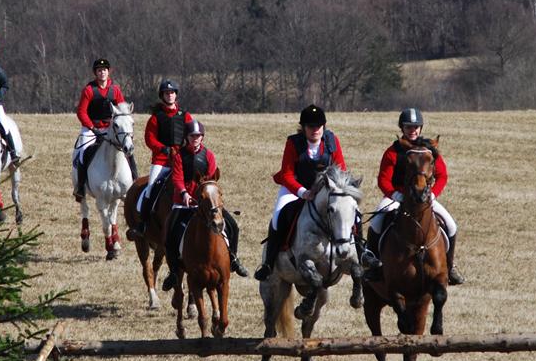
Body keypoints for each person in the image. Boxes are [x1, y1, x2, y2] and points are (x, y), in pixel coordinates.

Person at [253, 105, 372, 281]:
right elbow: (286, 174)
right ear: (304, 128)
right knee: (278, 216)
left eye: (318, 126)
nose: (315, 130)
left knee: (354, 213)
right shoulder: (293, 142)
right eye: (310, 127)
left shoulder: (332, 141)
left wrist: (340, 189)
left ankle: (362, 253)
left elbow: (341, 169)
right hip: (297, 187)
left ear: (323, 126)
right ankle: (269, 263)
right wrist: (303, 192)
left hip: (326, 189)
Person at [364, 108, 465, 286]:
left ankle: (449, 266)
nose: (413, 130)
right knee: (377, 222)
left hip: (424, 198)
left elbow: (442, 176)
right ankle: (374, 264)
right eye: (409, 127)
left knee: (451, 225)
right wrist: (396, 195)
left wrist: (433, 194)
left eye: (416, 127)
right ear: (402, 128)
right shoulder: (393, 151)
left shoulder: (429, 149)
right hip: (397, 197)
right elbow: (383, 179)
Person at [160, 119, 248, 285]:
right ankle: (173, 272)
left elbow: (211, 178)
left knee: (233, 226)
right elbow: (177, 178)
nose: (195, 139)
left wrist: (208, 197)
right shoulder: (179, 156)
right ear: (187, 137)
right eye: (192, 136)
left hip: (205, 201)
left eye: (198, 136)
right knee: (170, 232)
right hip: (183, 202)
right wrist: (185, 194)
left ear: (202, 137)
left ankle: (234, 259)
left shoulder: (208, 155)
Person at [127, 78, 194, 241]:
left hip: (181, 159)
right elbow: (149, 139)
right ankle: (142, 223)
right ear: (162, 96)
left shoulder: (185, 116)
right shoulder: (156, 117)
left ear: (175, 95)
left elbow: (192, 135)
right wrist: (163, 149)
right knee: (150, 187)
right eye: (166, 93)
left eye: (172, 92)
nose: (169, 95)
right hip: (161, 160)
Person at [72, 58, 134, 201]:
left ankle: (134, 179)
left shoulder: (115, 90)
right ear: (96, 73)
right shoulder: (89, 90)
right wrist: (92, 128)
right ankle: (80, 186)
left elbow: (122, 110)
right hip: (91, 128)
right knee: (83, 152)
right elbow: (81, 112)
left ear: (108, 72)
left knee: (127, 148)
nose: (102, 73)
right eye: (99, 71)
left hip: (111, 128)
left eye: (104, 70)